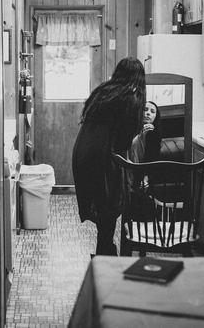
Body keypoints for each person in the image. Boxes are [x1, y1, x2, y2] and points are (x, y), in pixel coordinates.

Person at [71, 56, 147, 256]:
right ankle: (106, 258)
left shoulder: (105, 90)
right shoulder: (131, 97)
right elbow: (122, 143)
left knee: (103, 213)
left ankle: (105, 253)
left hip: (82, 152)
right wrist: (139, 137)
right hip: (102, 157)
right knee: (110, 209)